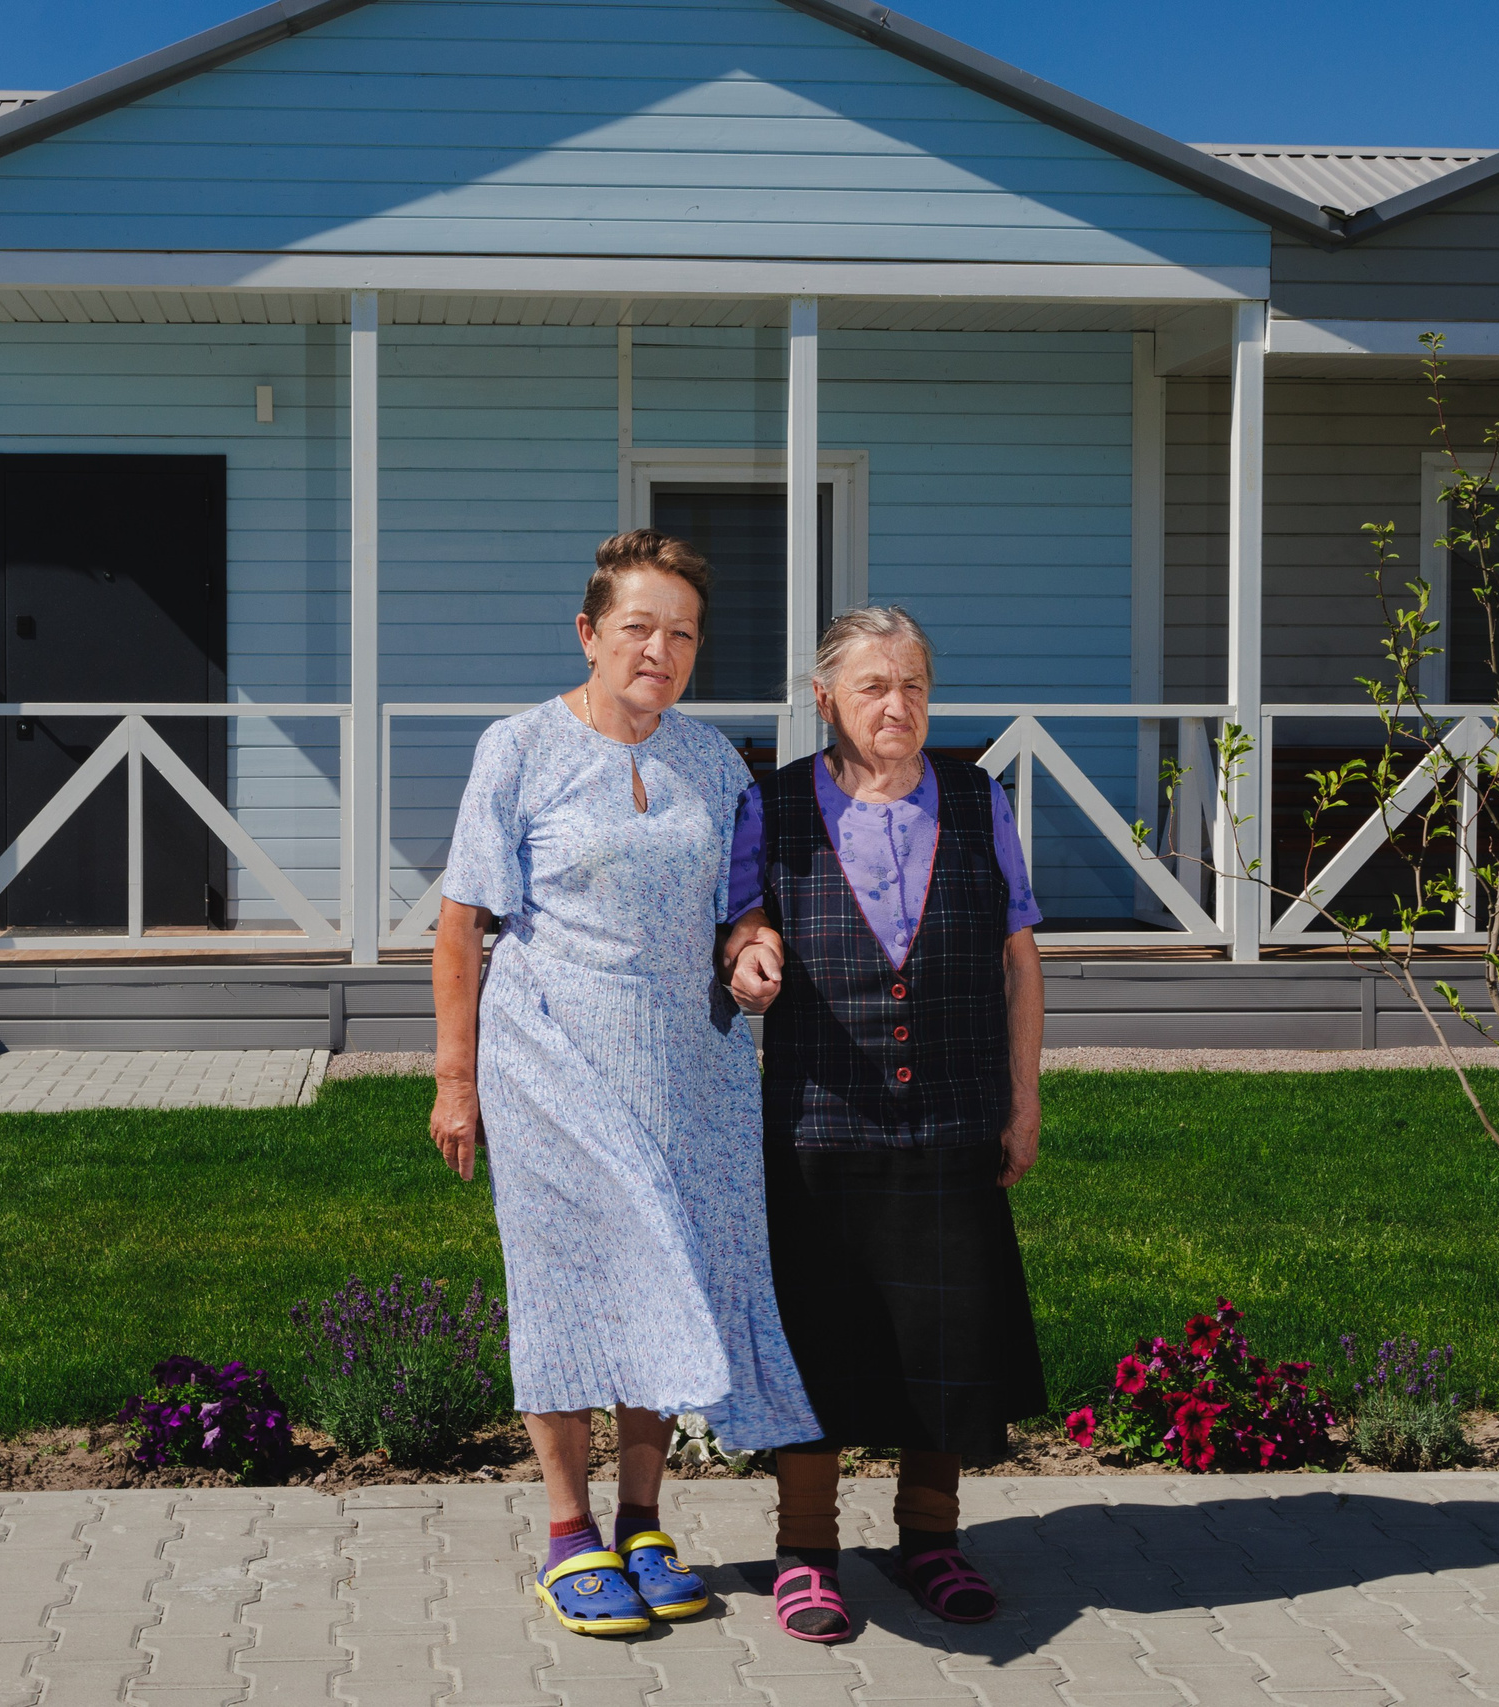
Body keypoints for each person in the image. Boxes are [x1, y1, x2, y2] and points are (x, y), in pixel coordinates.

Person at [431, 529, 818, 1639]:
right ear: (590, 632)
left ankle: (643, 1519)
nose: (660, 648)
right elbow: (461, 925)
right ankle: (566, 1532)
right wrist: (456, 1080)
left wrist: (748, 946)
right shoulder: (519, 748)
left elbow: (736, 904)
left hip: (687, 1060)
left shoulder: (711, 761)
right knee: (563, 1283)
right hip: (549, 1053)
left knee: (667, 1265)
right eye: (638, 627)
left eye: (681, 633)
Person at [721, 605, 1049, 1644]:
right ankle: (806, 1552)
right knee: (817, 1337)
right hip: (819, 1120)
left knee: (942, 1337)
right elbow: (739, 919)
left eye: (911, 684)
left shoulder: (976, 797)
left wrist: (1022, 1099)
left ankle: (931, 1539)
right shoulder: (770, 806)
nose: (895, 705)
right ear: (825, 700)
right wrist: (748, 949)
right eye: (872, 686)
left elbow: (1017, 961)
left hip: (951, 1114)